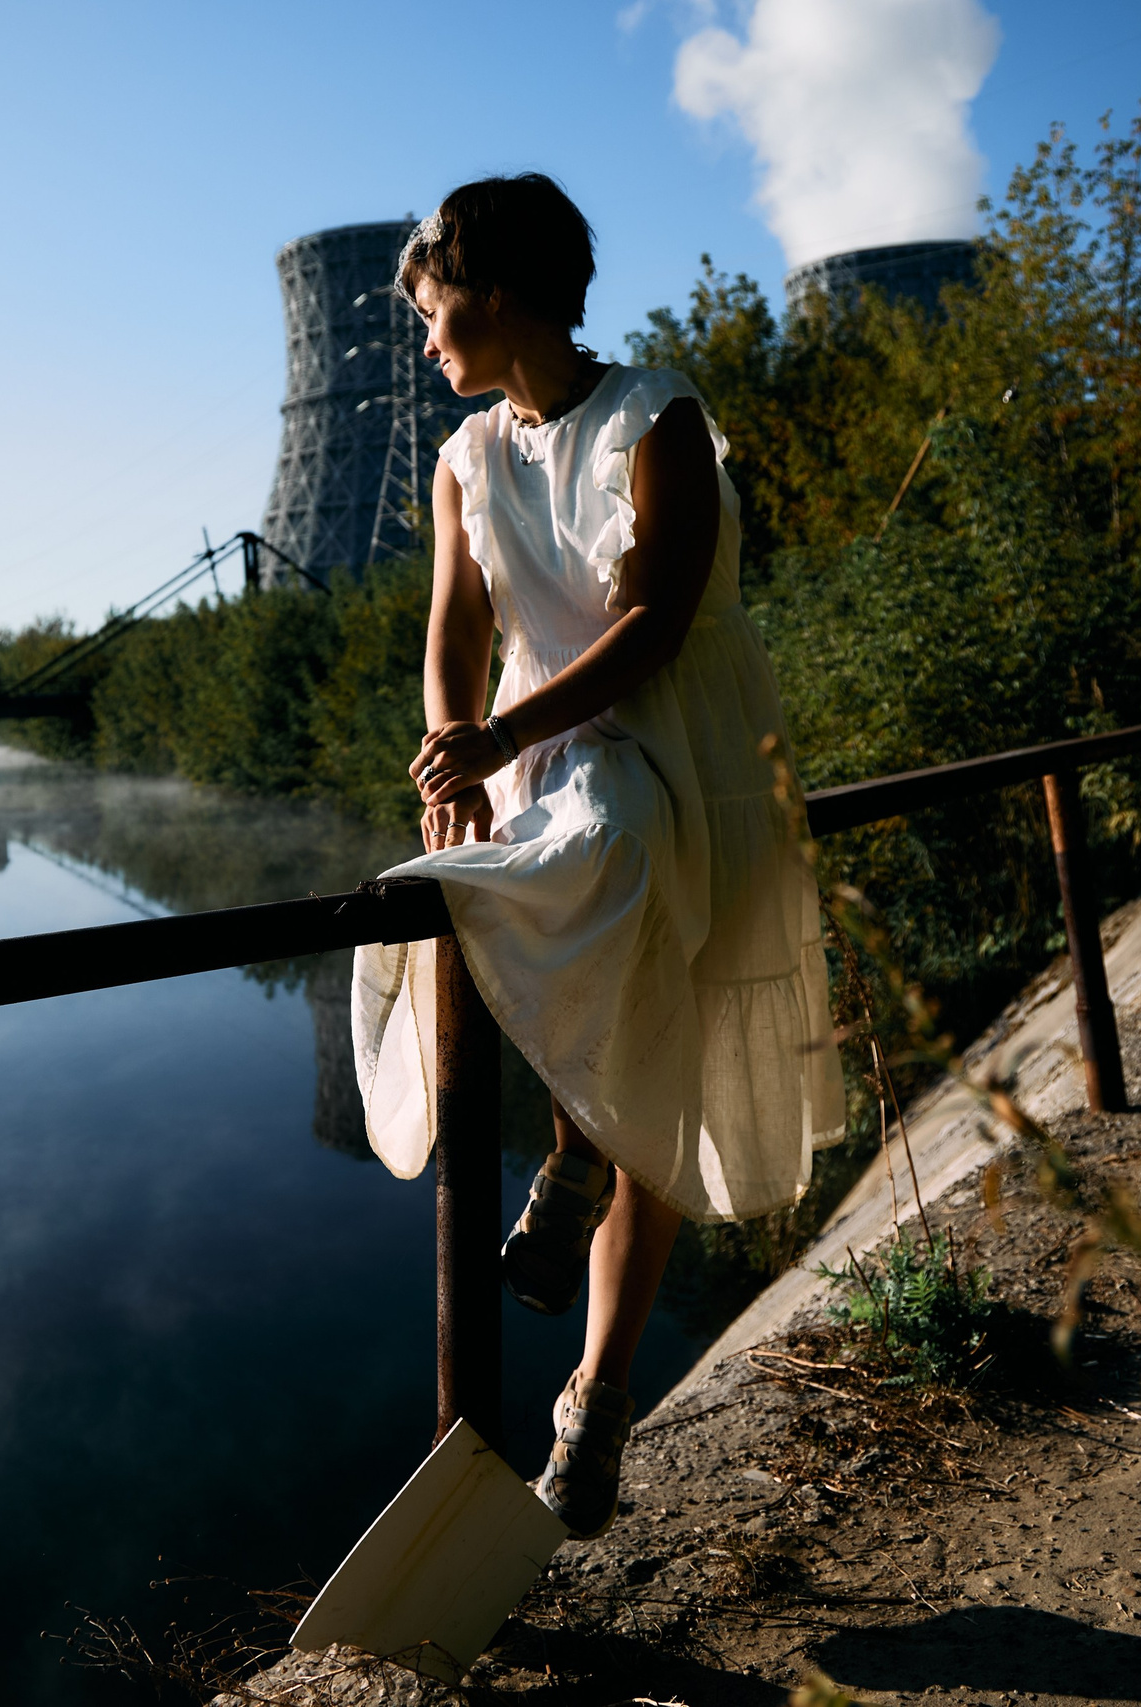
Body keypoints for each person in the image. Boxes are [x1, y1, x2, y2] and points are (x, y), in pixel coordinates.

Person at [350, 175, 843, 1538]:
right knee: (443, 896)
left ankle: (598, 1394)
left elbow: (661, 618)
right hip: (541, 749)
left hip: (677, 747)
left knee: (652, 1023)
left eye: (439, 314)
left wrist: (507, 727)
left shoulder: (656, 416)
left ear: (500, 296)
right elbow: (453, 625)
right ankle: (571, 1165)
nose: (431, 344)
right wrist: (458, 748)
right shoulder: (465, 458)